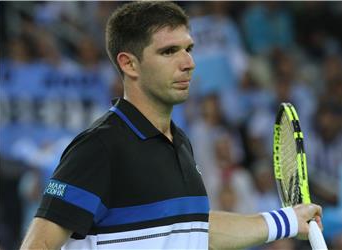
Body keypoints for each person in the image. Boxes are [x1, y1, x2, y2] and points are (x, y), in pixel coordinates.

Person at [20, 2, 323, 249]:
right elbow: (39, 245)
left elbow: (195, 230)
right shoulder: (98, 148)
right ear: (129, 64)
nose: (188, 62)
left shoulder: (180, 142)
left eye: (188, 48)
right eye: (168, 51)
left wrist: (286, 221)